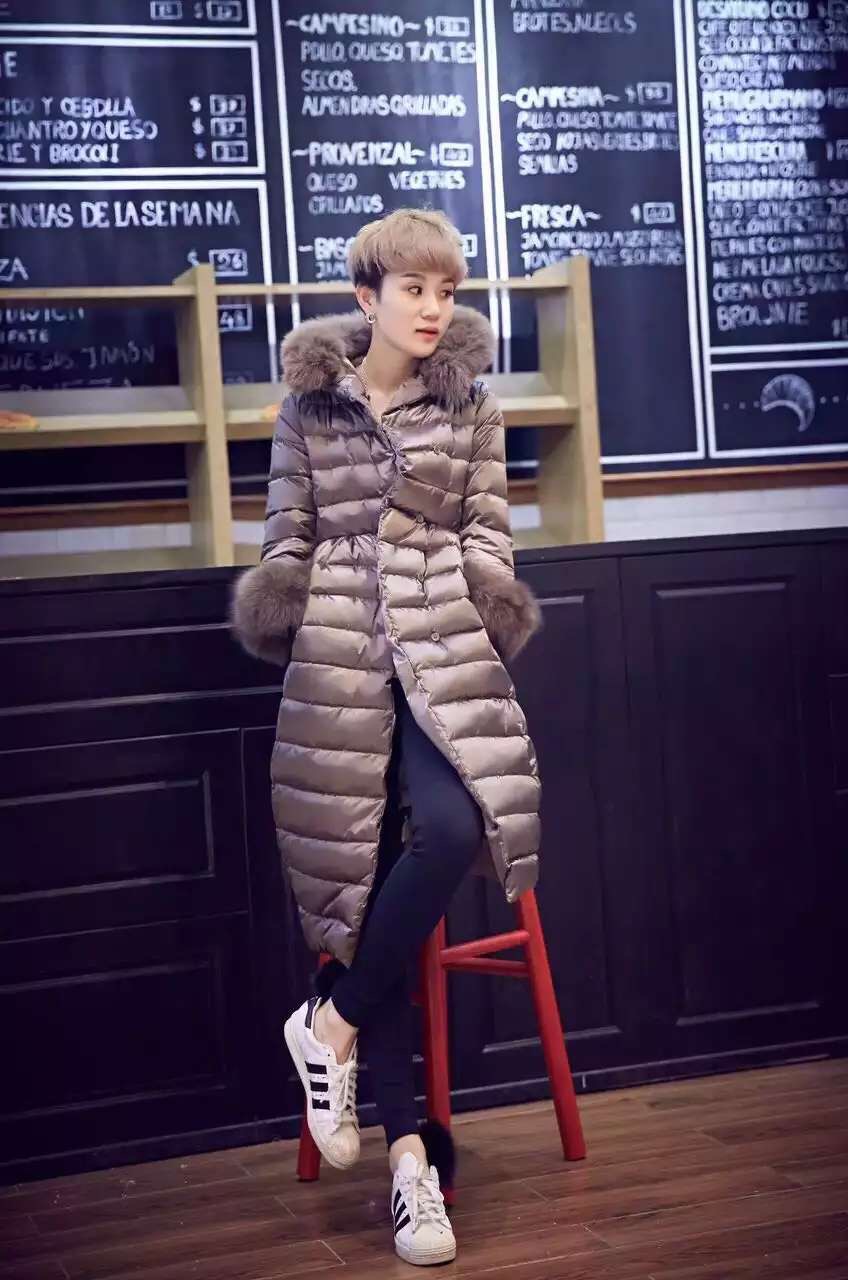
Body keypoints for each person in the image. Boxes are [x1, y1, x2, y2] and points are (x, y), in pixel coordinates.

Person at [230, 207, 544, 1267]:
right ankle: (412, 1170)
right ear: (366, 297)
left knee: (449, 829)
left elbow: (489, 531)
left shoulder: (470, 405)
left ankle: (330, 1024)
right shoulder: (307, 410)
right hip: (340, 663)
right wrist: (309, 605)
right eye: (414, 288)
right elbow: (285, 540)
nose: (433, 308)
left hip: (443, 653)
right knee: (366, 888)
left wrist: (471, 597)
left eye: (447, 290)